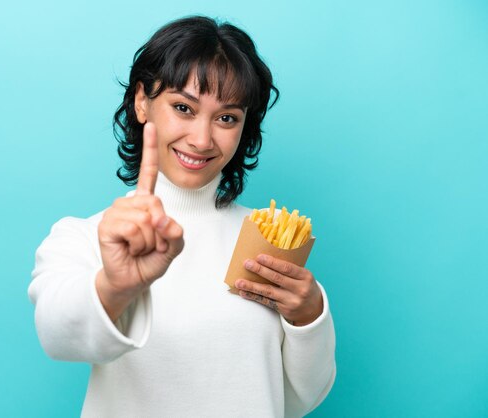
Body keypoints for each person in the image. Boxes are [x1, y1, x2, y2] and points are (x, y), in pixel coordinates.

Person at [28, 16, 336, 418]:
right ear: (142, 101)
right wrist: (115, 286)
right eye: (183, 108)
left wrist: (310, 316)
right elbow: (57, 335)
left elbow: (296, 400)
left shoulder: (266, 239)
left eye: (226, 117)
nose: (202, 139)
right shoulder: (86, 237)